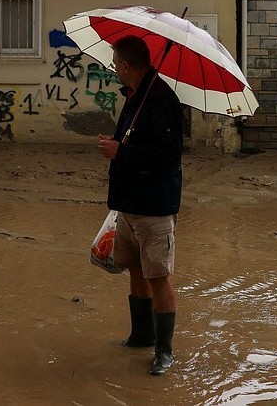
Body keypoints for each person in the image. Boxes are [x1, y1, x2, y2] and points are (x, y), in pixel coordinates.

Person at [97, 34, 184, 376]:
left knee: (158, 275)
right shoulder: (136, 95)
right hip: (129, 204)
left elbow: (168, 155)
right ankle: (141, 335)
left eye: (115, 62)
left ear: (126, 65)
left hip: (154, 206)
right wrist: (118, 144)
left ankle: (164, 351)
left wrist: (121, 151)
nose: (114, 68)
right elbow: (135, 142)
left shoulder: (161, 98)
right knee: (136, 269)